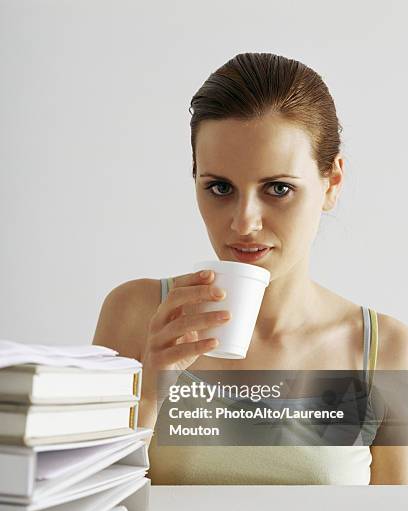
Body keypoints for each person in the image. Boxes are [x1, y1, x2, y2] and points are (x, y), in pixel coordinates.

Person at [93, 52, 408, 485]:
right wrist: (149, 394)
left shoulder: (385, 351)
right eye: (219, 187)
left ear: (331, 184)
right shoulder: (135, 315)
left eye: (278, 189)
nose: (244, 222)